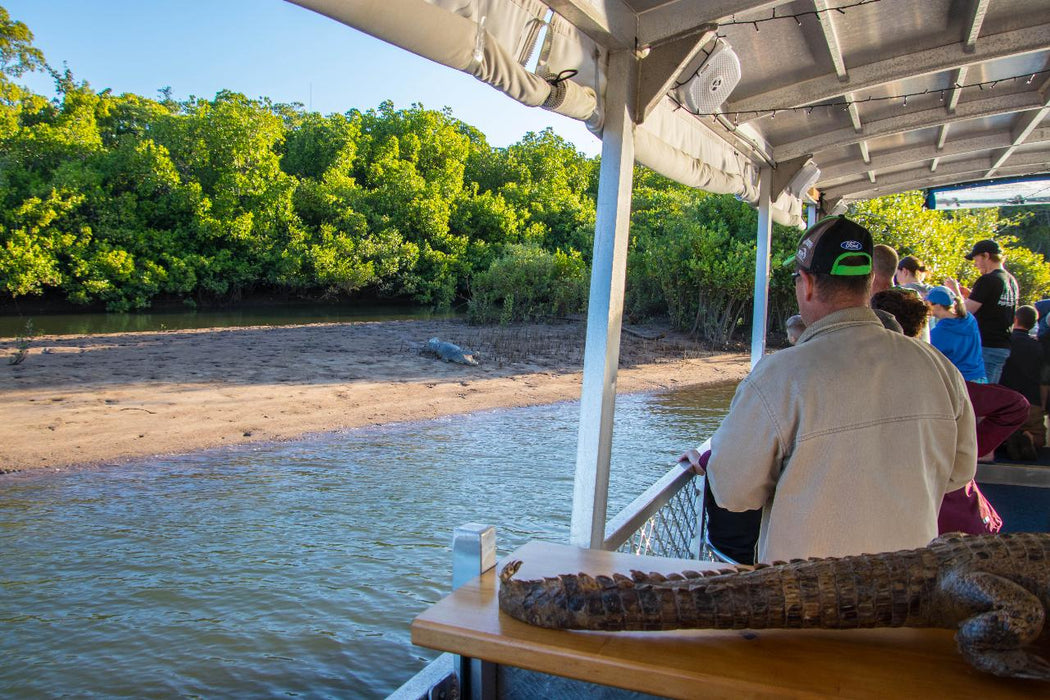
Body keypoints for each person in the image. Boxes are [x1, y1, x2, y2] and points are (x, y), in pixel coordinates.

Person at [681, 216, 976, 563]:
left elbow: (733, 492)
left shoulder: (780, 375)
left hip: (805, 592)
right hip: (907, 587)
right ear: (870, 284)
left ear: (805, 283)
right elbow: (960, 472)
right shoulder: (937, 366)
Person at [946, 239, 1018, 383]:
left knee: (980, 395)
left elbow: (964, 312)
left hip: (986, 345)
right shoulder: (1011, 280)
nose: (975, 263)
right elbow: (995, 306)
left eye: (976, 258)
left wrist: (955, 292)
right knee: (991, 393)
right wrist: (971, 294)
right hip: (1003, 345)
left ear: (986, 255)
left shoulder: (988, 280)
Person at [999, 305, 1046, 457]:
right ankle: (1029, 437)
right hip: (1032, 402)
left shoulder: (1003, 343)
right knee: (1040, 440)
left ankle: (1009, 437)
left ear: (1015, 319)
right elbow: (1044, 380)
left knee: (997, 433)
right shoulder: (1039, 348)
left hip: (1006, 402)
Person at [928, 285, 987, 383]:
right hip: (979, 378)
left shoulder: (940, 332)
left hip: (959, 382)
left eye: (928, 303)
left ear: (937, 305)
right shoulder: (970, 320)